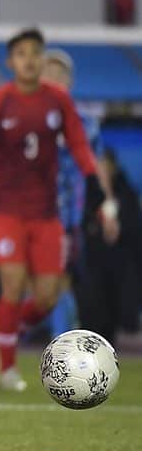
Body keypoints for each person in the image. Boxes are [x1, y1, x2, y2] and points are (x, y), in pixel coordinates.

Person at [0, 28, 107, 392]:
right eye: (22, 53)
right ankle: (7, 368)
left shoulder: (59, 102)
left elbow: (81, 145)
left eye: (36, 53)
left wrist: (93, 181)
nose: (30, 60)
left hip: (49, 214)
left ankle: (6, 328)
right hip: (6, 210)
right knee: (13, 285)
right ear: (11, 61)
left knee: (49, 295)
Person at [40, 49, 119, 337]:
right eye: (48, 72)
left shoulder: (85, 123)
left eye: (59, 74)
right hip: (31, 212)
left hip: (70, 215)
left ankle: (60, 342)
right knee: (34, 284)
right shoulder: (29, 118)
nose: (54, 79)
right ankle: (10, 335)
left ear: (70, 82)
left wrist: (108, 210)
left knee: (63, 280)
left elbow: (98, 168)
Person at [78, 148, 142, 347]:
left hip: (121, 262)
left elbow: (133, 228)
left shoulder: (125, 193)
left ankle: (122, 333)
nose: (101, 172)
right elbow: (83, 223)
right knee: (92, 299)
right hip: (94, 262)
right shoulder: (87, 195)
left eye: (105, 167)